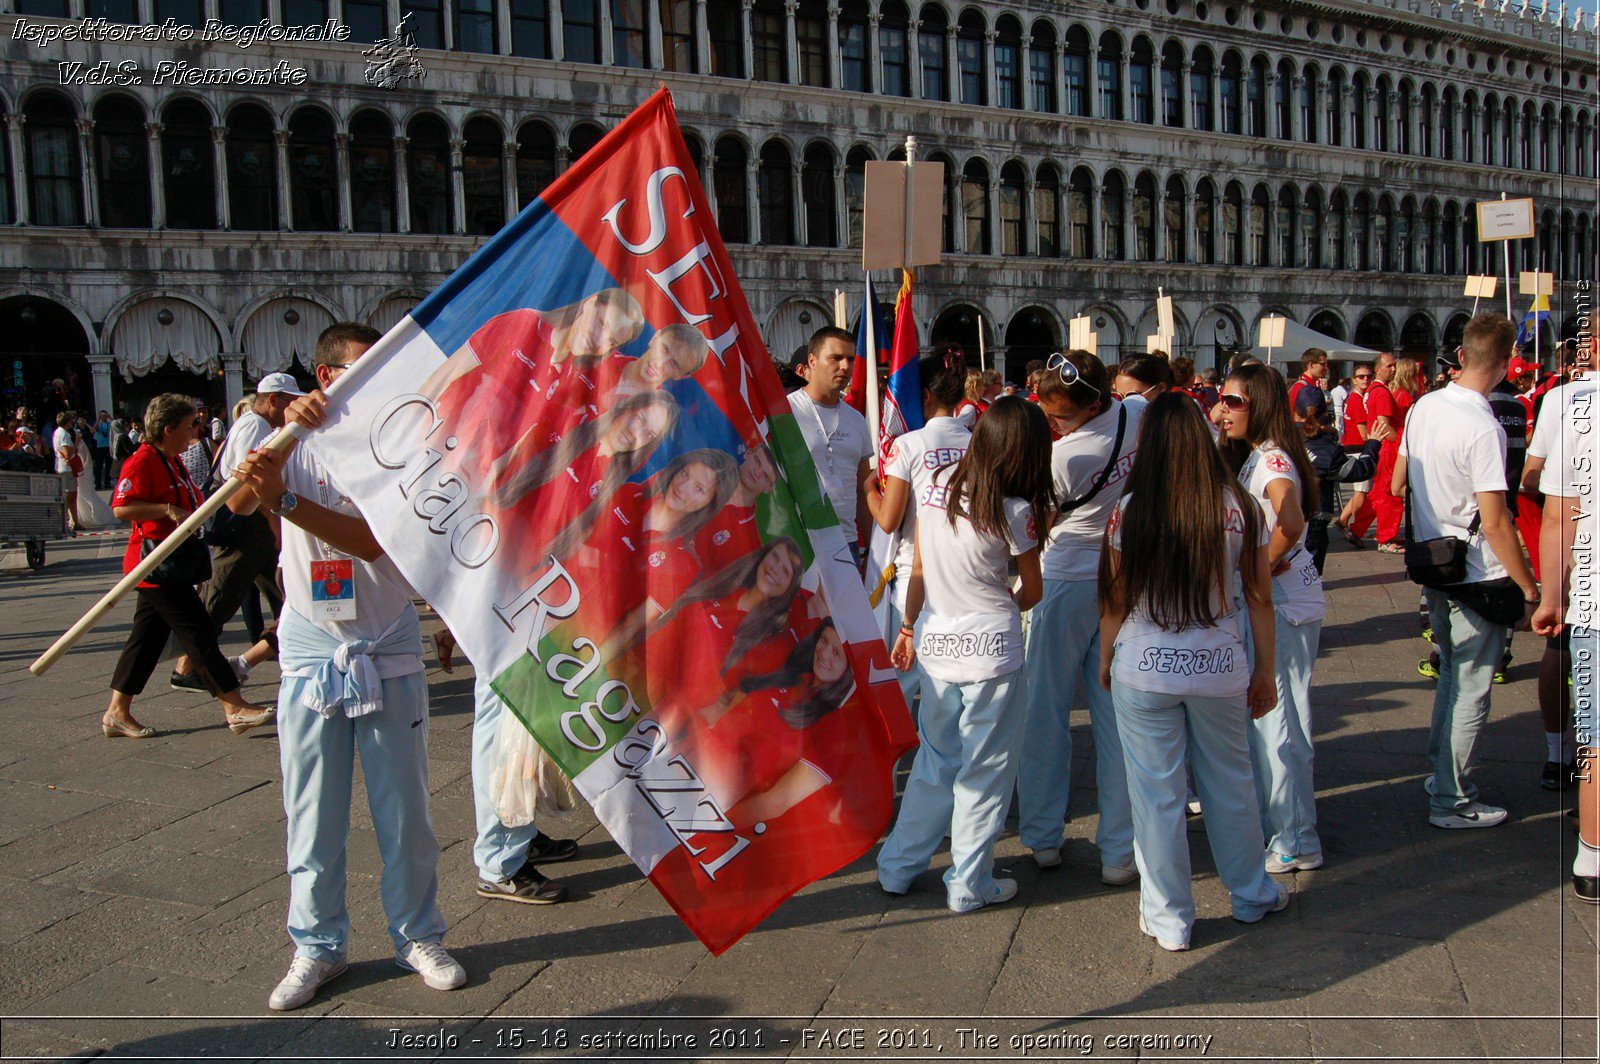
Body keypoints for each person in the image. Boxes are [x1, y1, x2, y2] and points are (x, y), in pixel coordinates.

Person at [230, 322, 466, 1010]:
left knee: (405, 811)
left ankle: (418, 934)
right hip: (309, 640)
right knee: (312, 810)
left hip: (385, 640)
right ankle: (317, 946)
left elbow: (369, 542)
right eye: (364, 372)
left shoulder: (403, 445)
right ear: (326, 377)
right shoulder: (285, 438)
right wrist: (286, 443)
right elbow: (242, 500)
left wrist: (287, 501)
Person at [1099, 392, 1286, 952]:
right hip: (1220, 664)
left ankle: (1169, 917)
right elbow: (1260, 599)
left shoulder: (1129, 511)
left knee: (1155, 796)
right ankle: (1250, 892)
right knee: (1231, 785)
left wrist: (1107, 658)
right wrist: (1266, 670)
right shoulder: (1241, 507)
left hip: (1145, 663)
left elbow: (1114, 600)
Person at [877, 397, 1054, 912]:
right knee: (986, 770)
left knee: (936, 760)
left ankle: (898, 865)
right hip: (990, 649)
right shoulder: (1017, 511)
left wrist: (909, 626)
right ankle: (969, 880)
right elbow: (1034, 590)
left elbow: (919, 570)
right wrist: (1003, 609)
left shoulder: (936, 491)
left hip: (938, 641)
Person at [1392, 314, 1540, 830]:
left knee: (1453, 676)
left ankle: (1442, 777)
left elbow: (1396, 481)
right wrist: (1527, 586)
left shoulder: (1424, 405)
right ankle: (1451, 798)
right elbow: (1497, 520)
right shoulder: (1483, 426)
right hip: (1477, 570)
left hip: (1436, 559)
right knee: (1472, 686)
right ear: (1504, 362)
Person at [1017, 351, 1140, 882]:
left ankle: (1044, 836)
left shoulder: (1065, 459)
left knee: (1045, 712)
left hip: (1065, 578)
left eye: (1060, 418)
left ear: (1091, 407)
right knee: (1116, 718)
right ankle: (1119, 851)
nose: (1052, 425)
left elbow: (1035, 524)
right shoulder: (1139, 412)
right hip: (1120, 572)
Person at [103, 394, 275, 740]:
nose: (193, 432)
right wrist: (165, 509)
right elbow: (121, 508)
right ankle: (234, 706)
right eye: (187, 426)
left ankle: (116, 712)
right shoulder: (143, 461)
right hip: (155, 566)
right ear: (167, 429)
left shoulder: (171, 460)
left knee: (146, 641)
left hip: (175, 566)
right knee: (199, 636)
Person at [1218, 364, 1328, 874]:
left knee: (1280, 721)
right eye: (1222, 399)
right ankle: (1286, 826)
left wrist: (1259, 569)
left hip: (1281, 602)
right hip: (1279, 599)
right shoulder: (1259, 455)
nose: (1225, 409)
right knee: (1273, 718)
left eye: (1234, 401)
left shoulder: (1274, 458)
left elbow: (1291, 518)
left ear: (1259, 404)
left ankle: (1296, 836)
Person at [171, 374, 306, 691]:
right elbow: (249, 482)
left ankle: (289, 653)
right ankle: (186, 665)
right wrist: (274, 521)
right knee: (221, 595)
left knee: (286, 594)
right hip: (244, 527)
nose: (292, 407)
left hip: (254, 528)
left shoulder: (259, 425)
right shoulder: (254, 426)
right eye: (288, 401)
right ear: (273, 400)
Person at [864, 353, 972, 707]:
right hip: (967, 573)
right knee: (951, 687)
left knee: (903, 682)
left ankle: (894, 761)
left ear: (924, 396)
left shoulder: (908, 445)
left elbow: (889, 520)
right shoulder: (977, 441)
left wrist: (867, 489)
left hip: (916, 578)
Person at [1528, 351, 1597, 901]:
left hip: (1591, 588)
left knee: (1595, 740)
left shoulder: (1574, 403)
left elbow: (1558, 512)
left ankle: (1591, 857)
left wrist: (1553, 595)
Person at [789, 327, 873, 567]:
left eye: (850, 359)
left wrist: (870, 548)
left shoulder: (856, 419)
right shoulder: (786, 412)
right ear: (812, 361)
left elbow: (863, 486)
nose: (845, 367)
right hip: (800, 541)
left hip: (847, 543)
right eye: (835, 358)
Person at [1295, 386, 1387, 573]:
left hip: (1281, 515)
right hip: (1314, 517)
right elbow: (1359, 471)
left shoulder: (1280, 437)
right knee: (1309, 575)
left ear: (1295, 411)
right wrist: (1372, 444)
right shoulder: (1326, 447)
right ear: (1323, 412)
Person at [1349, 352, 1398, 550]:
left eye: (1395, 365)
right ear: (1378, 369)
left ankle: (1356, 529)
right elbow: (1384, 424)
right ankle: (1386, 538)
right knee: (1389, 494)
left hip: (1378, 446)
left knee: (1376, 493)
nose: (1393, 369)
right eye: (1389, 366)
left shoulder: (1373, 390)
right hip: (1387, 447)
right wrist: (1403, 441)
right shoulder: (1382, 392)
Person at [52, 411, 79, 534]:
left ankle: (74, 521)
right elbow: (68, 453)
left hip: (63, 467)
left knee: (71, 495)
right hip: (66, 468)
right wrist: (77, 440)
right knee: (69, 495)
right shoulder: (64, 434)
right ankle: (66, 521)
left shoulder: (58, 432)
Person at [92, 410, 113, 490]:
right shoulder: (99, 424)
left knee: (108, 466)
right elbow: (93, 429)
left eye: (105, 416)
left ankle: (107, 482)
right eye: (102, 416)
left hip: (108, 446)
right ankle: (98, 483)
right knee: (99, 466)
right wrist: (98, 419)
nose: (104, 417)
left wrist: (110, 417)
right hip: (100, 447)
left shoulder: (109, 424)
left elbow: (116, 425)